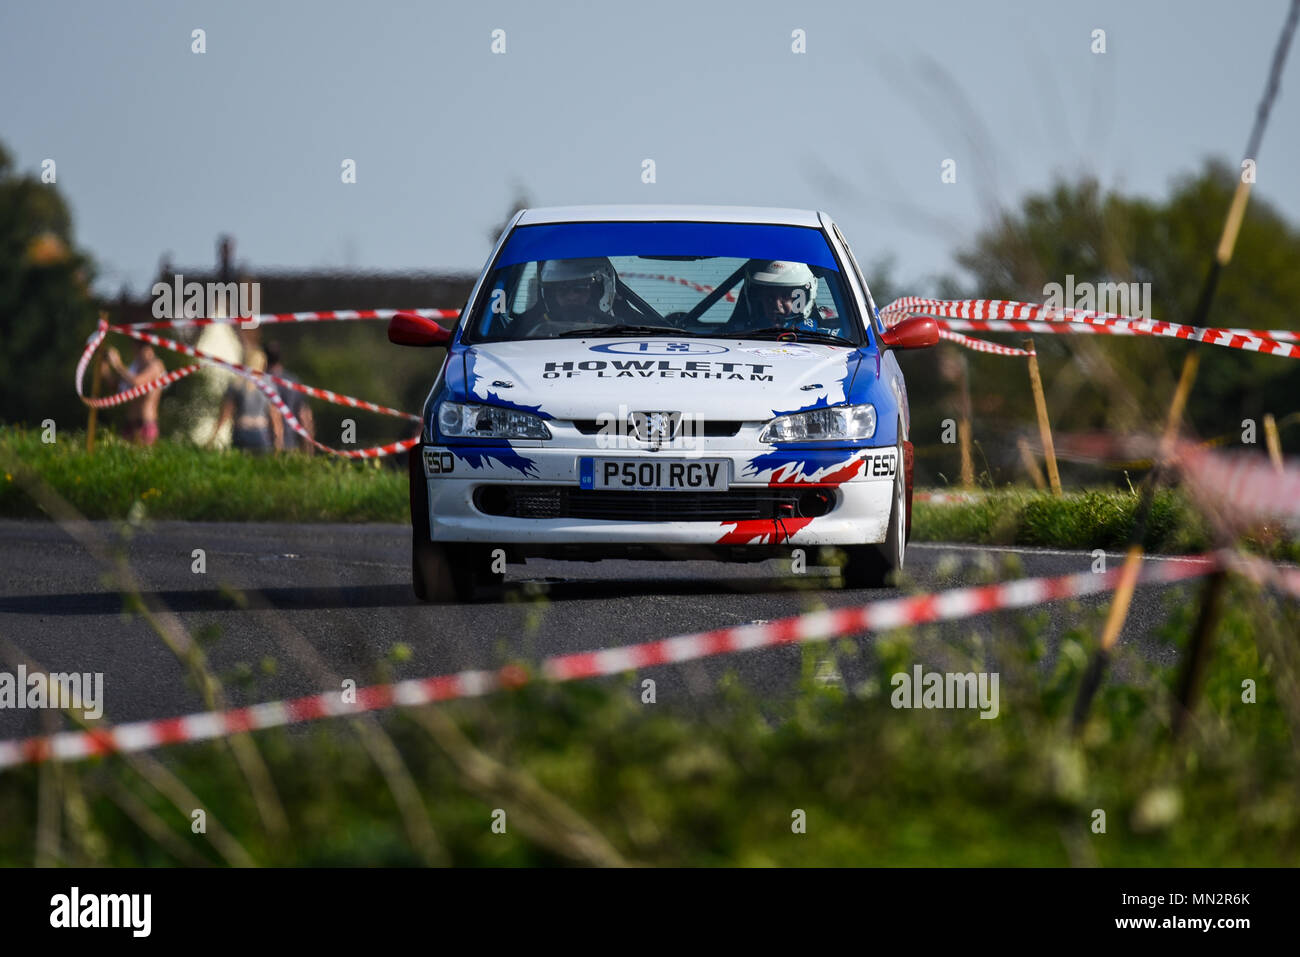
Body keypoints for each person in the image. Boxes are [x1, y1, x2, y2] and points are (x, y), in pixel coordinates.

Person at [512, 257, 618, 337]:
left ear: (597, 291)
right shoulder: (524, 331)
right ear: (551, 294)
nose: (572, 296)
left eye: (580, 288)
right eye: (562, 289)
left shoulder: (622, 330)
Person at [206, 347, 283, 454]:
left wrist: (213, 435)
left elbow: (226, 413)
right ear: (262, 363)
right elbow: (274, 415)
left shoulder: (236, 384)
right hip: (260, 432)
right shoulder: (268, 385)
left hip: (240, 431)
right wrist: (279, 440)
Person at [738, 260, 828, 332]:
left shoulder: (820, 336)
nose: (777, 305)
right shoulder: (742, 333)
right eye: (770, 298)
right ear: (759, 299)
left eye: (785, 296)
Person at [105, 341, 166, 445]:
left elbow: (137, 383)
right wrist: (104, 365)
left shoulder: (156, 365)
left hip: (145, 424)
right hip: (130, 424)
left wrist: (117, 364)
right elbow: (114, 386)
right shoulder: (135, 366)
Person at [265, 341, 314, 454]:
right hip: (291, 443)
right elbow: (305, 417)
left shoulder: (260, 382)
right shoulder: (293, 382)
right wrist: (309, 448)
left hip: (264, 444)